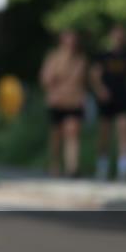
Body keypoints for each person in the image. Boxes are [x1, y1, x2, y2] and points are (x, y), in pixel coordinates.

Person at [90, 24, 126, 181]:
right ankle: (102, 167)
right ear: (111, 36)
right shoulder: (103, 56)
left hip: (124, 99)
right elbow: (94, 75)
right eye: (116, 35)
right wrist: (100, 91)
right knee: (104, 135)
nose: (119, 38)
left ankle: (124, 169)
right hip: (107, 100)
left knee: (124, 133)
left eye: (121, 35)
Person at [38, 30, 88, 178]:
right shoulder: (54, 58)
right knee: (56, 135)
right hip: (57, 101)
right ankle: (55, 163)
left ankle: (72, 166)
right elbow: (46, 79)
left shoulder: (81, 60)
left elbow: (83, 81)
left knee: (73, 131)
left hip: (74, 101)